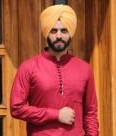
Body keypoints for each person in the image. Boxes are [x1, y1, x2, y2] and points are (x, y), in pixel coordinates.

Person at [10, 4, 99, 136]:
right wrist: (56, 115)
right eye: (53, 31)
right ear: (46, 33)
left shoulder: (84, 68)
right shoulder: (28, 67)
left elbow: (90, 112)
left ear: (70, 33)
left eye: (64, 31)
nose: (58, 36)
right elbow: (16, 108)